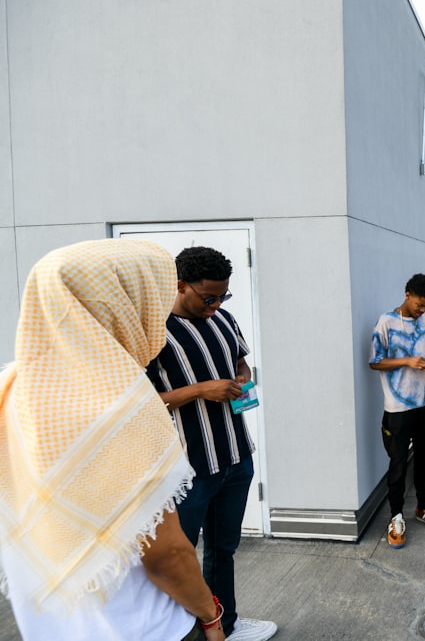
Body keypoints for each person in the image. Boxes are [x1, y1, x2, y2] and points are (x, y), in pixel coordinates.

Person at [0, 239, 225, 640]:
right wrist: (210, 615)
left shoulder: (14, 386)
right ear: (121, 305)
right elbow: (166, 554)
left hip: (53, 622)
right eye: (152, 298)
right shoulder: (118, 404)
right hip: (143, 627)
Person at [146, 246, 276, 641]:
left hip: (236, 457)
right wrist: (202, 389)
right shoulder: (152, 332)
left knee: (223, 551)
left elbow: (241, 361)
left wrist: (241, 377)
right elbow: (141, 403)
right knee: (178, 563)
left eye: (223, 296)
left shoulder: (224, 320)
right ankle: (184, 634)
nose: (216, 305)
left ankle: (227, 626)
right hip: (189, 472)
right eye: (208, 297)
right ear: (180, 284)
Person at [369, 273, 425, 549]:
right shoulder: (386, 322)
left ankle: (423, 507)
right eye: (419, 304)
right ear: (407, 294)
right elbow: (375, 362)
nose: (422, 310)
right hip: (398, 406)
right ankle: (396, 516)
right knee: (398, 463)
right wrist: (407, 361)